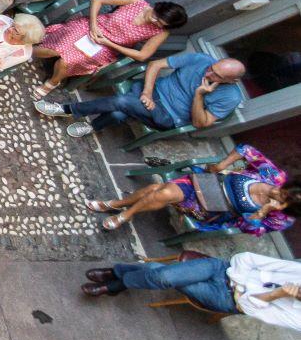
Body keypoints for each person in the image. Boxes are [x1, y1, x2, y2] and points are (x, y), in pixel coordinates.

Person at [87, 145, 297, 235]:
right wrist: (222, 165)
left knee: (159, 190)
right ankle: (124, 214)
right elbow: (246, 149)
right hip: (206, 183)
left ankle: (118, 206)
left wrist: (262, 212)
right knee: (164, 192)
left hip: (211, 209)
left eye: (284, 199)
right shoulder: (274, 176)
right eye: (284, 191)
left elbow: (248, 229)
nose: (279, 193)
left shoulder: (281, 219)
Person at [37, 52, 246, 139]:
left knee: (121, 102)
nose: (208, 73)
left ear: (231, 81)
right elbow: (156, 64)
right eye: (211, 68)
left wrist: (199, 95)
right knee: (120, 112)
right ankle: (93, 126)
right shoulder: (200, 59)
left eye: (216, 75)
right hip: (148, 93)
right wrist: (147, 91)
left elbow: (201, 123)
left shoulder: (230, 97)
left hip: (166, 115)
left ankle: (66, 110)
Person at [83, 252, 301, 325]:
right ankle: (114, 283)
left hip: (224, 299)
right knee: (161, 275)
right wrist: (238, 279)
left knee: (162, 275)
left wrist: (276, 294)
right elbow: (245, 258)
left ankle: (116, 276)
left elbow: (246, 306)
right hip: (222, 270)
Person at [32, 0, 186, 97]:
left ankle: (53, 82)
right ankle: (26, 53)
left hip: (107, 47)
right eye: (156, 17)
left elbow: (143, 55)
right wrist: (93, 25)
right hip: (92, 27)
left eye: (160, 23)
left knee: (67, 60)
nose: (155, 22)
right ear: (158, 8)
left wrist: (109, 43)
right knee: (57, 47)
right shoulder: (136, 2)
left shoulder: (160, 32)